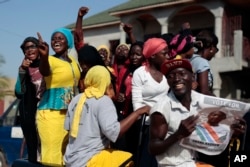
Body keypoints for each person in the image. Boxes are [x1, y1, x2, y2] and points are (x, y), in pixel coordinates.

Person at [63, 65, 150, 167]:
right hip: (89, 160)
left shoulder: (76, 99)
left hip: (71, 160)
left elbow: (68, 128)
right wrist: (138, 112)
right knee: (129, 159)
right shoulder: (103, 100)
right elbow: (115, 133)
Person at [36, 28, 81, 166]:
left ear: (68, 42)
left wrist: (80, 17)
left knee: (64, 154)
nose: (56, 40)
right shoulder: (49, 59)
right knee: (52, 154)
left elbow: (79, 36)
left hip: (68, 114)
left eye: (60, 38)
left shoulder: (73, 61)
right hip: (50, 113)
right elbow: (44, 71)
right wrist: (43, 56)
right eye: (54, 38)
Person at [149, 59, 201, 167]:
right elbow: (152, 148)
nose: (177, 79)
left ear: (192, 77)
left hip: (197, 163)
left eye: (182, 74)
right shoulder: (161, 108)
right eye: (171, 76)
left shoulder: (201, 101)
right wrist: (179, 134)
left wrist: (232, 130)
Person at [132, 37, 169, 167]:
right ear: (153, 55)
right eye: (164, 53)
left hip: (168, 125)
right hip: (148, 126)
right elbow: (137, 104)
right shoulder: (140, 74)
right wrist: (155, 114)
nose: (168, 56)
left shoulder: (168, 72)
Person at [113, 41, 145, 162]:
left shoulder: (146, 70)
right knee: (126, 146)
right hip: (125, 111)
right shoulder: (125, 69)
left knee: (138, 146)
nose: (134, 57)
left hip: (140, 112)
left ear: (143, 55)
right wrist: (118, 96)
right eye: (132, 54)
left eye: (138, 54)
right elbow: (119, 86)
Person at [15, 36, 45, 163]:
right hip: (30, 115)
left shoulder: (47, 64)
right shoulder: (24, 69)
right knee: (34, 152)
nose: (30, 50)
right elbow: (18, 92)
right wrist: (22, 70)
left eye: (33, 46)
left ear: (39, 48)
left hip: (47, 111)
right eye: (26, 48)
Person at [190, 30, 219, 96]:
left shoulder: (191, 58)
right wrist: (220, 101)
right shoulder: (202, 63)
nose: (216, 51)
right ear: (211, 48)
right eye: (216, 48)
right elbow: (204, 92)